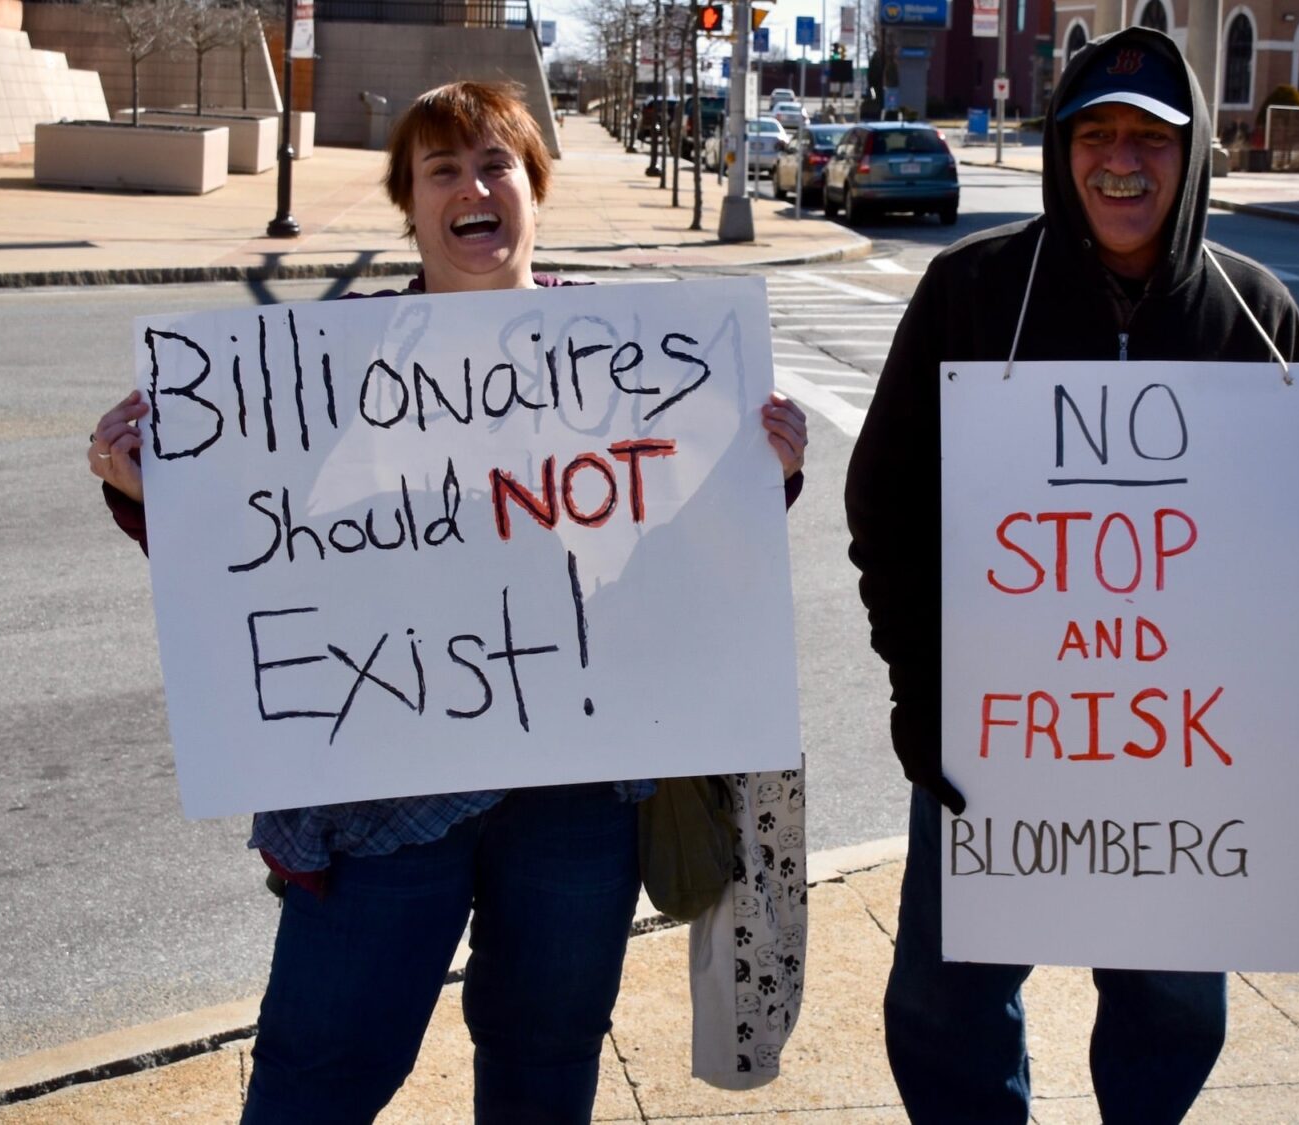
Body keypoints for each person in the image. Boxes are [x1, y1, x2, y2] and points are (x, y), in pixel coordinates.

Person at [86, 81, 810, 1124]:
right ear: (412, 207)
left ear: (535, 189)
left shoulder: (636, 358)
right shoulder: (320, 370)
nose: (472, 187)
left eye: (495, 164)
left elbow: (693, 551)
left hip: (576, 787)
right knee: (318, 1072)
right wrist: (143, 488)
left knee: (546, 1056)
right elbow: (256, 550)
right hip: (385, 795)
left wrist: (759, 475)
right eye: (442, 170)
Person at [843, 28, 1299, 1125]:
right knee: (949, 996)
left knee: (1171, 998)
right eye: (1094, 133)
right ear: (1058, 149)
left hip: (1179, 746)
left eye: (1150, 138)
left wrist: (1272, 731)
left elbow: (1292, 551)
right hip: (993, 730)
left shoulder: (1255, 315)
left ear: (1189, 159)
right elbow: (887, 502)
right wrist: (923, 693)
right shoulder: (970, 292)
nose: (1119, 162)